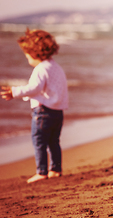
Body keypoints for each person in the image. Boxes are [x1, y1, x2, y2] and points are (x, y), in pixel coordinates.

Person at [1, 29, 69, 183]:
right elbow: (62, 88)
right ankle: (56, 169)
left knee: (39, 141)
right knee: (53, 141)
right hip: (58, 112)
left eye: (27, 55)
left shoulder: (40, 69)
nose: (27, 59)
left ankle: (42, 171)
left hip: (43, 111)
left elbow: (34, 88)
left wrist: (15, 92)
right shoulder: (56, 67)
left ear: (34, 53)